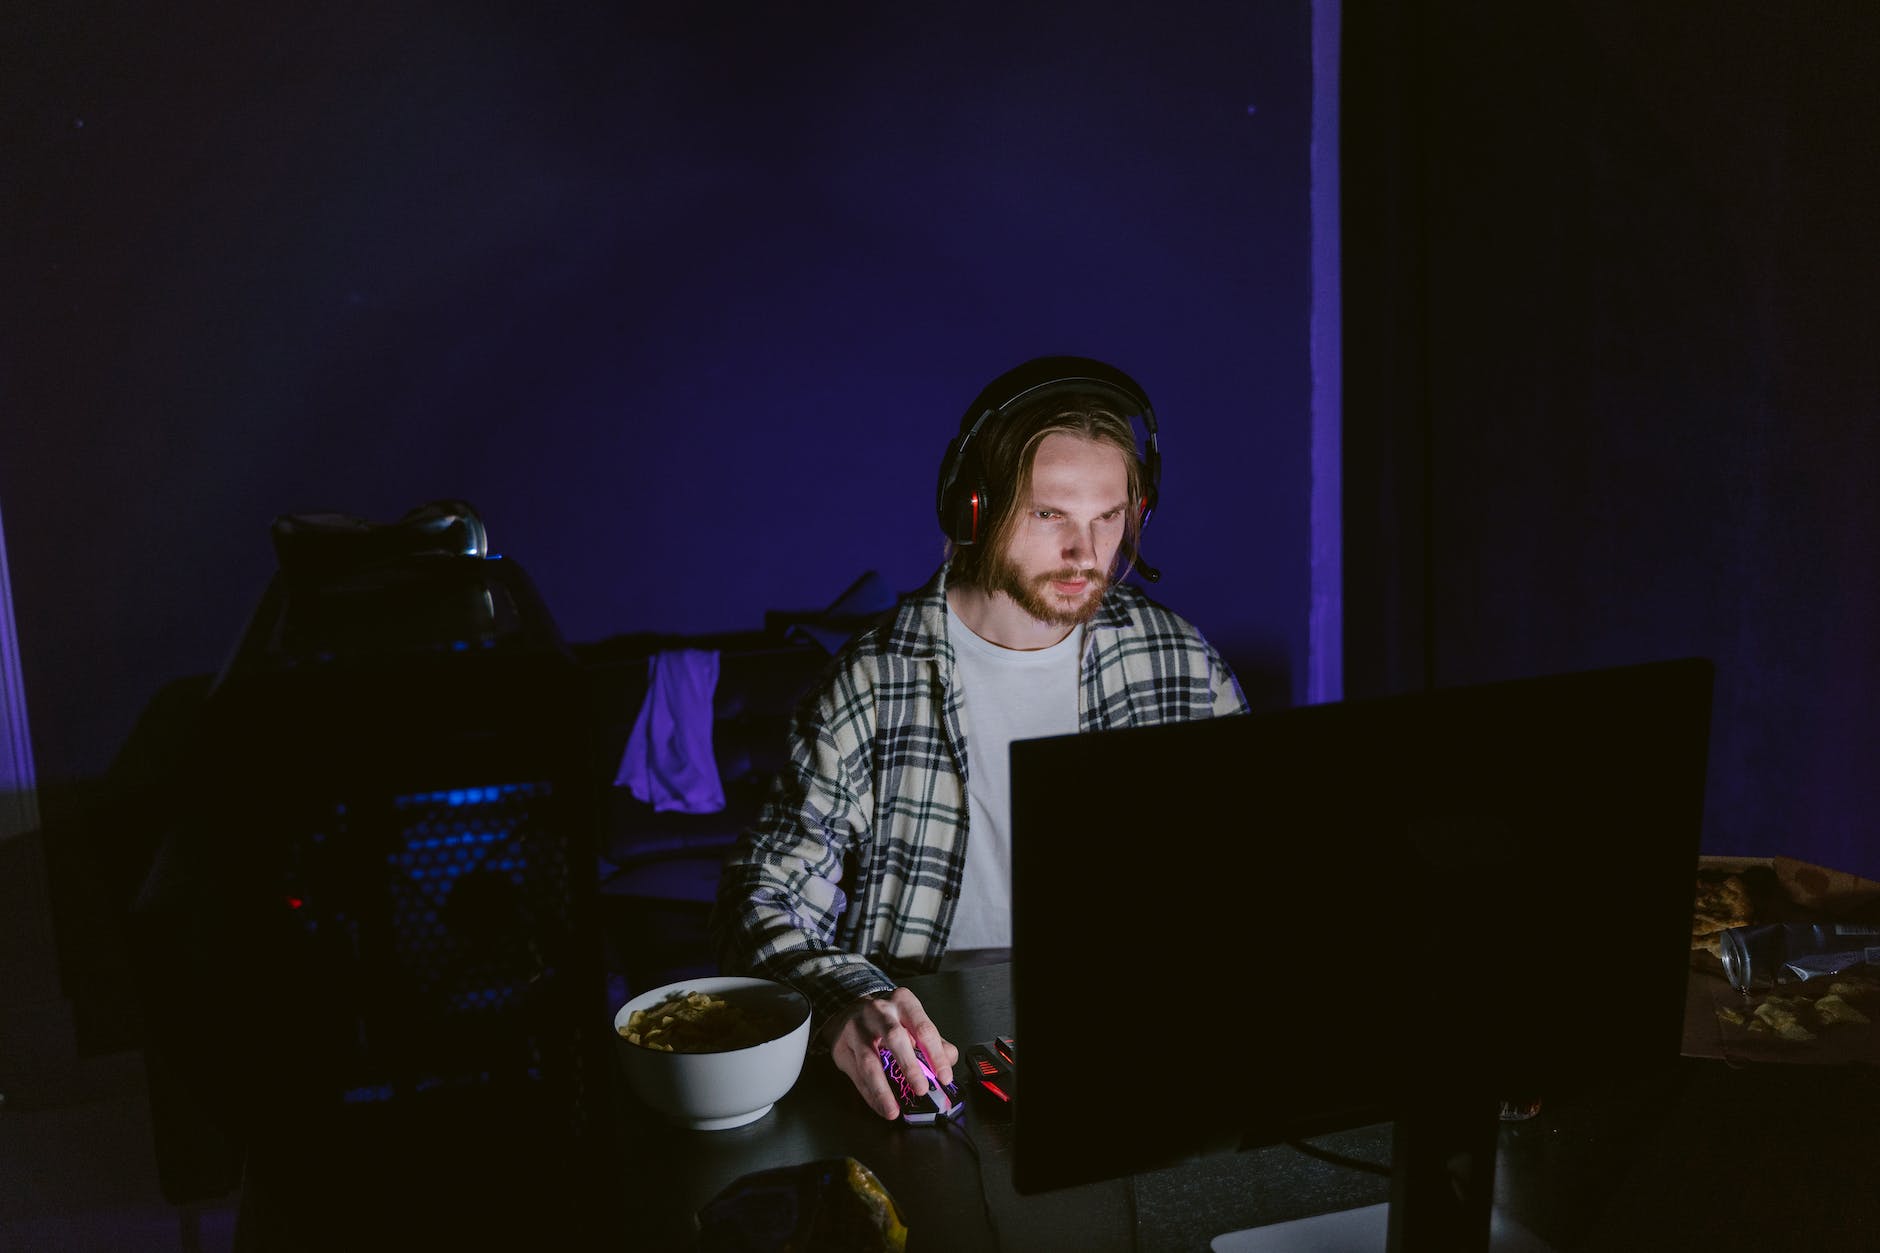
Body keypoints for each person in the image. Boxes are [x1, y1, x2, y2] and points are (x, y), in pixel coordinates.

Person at [711, 356, 1250, 1119]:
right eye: (1049, 515)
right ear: (974, 510)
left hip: (1127, 1038)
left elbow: (1255, 856)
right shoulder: (874, 680)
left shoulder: (1177, 660)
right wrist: (849, 1002)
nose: (1087, 554)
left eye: (1108, 516)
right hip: (933, 1054)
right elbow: (757, 898)